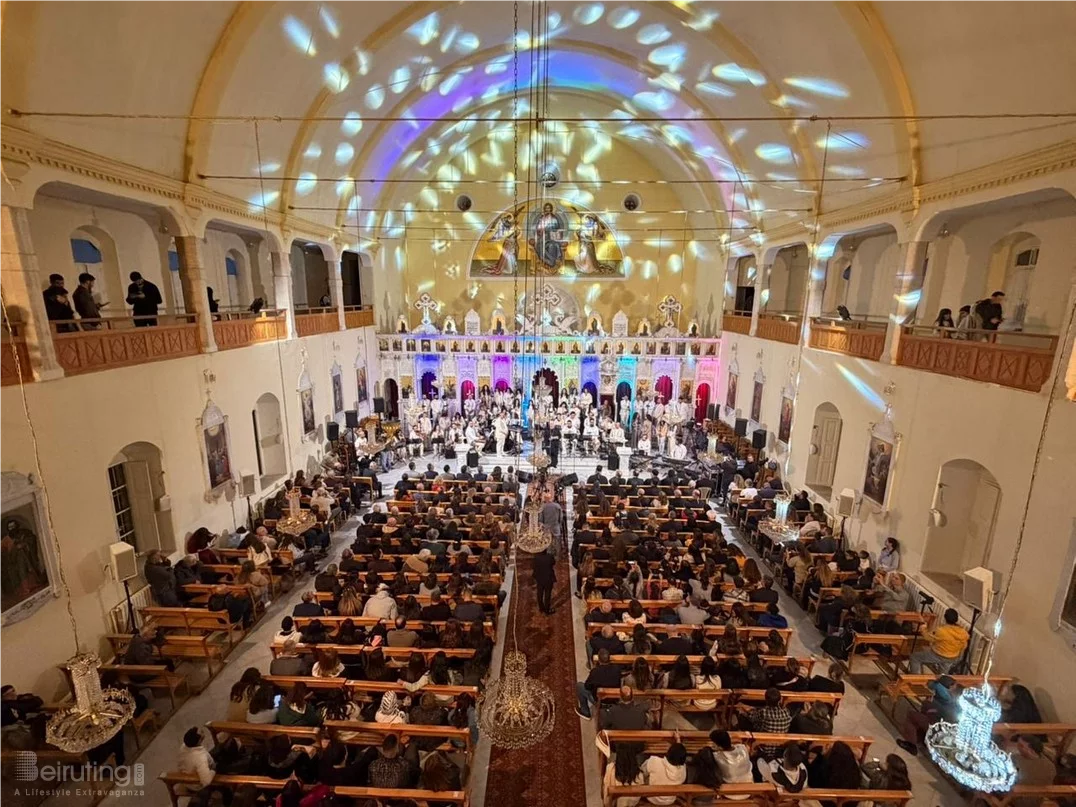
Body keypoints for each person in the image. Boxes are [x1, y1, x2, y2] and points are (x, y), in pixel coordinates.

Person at [908, 608, 969, 673]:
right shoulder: (963, 632)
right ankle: (941, 680)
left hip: (938, 655)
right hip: (953, 657)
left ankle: (915, 678)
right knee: (943, 673)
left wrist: (923, 628)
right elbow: (964, 646)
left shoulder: (942, 631)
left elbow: (927, 637)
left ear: (945, 618)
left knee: (914, 657)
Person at [575, 648, 622, 719]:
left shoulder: (595, 672)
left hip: (600, 701)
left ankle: (585, 712)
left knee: (579, 686)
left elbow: (587, 686)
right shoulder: (617, 669)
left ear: (599, 660)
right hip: (614, 699)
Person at [641, 738, 688, 806]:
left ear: (669, 752)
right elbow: (679, 755)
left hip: (652, 798)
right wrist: (678, 741)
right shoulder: (683, 770)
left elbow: (642, 772)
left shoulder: (655, 761)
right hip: (670, 800)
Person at [748, 689, 792, 758]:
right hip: (779, 748)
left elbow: (752, 718)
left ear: (766, 700)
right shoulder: (786, 712)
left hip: (764, 748)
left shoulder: (764, 712)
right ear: (779, 700)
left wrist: (749, 710)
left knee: (747, 720)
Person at [603, 740, 646, 807]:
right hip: (632, 803)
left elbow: (606, 796)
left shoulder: (611, 769)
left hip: (617, 803)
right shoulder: (639, 774)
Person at [534, 547, 556, 615]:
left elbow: (533, 566)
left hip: (539, 578)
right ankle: (547, 610)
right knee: (547, 594)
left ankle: (541, 607)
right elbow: (553, 563)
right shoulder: (550, 556)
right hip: (548, 578)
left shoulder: (536, 557)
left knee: (539, 593)